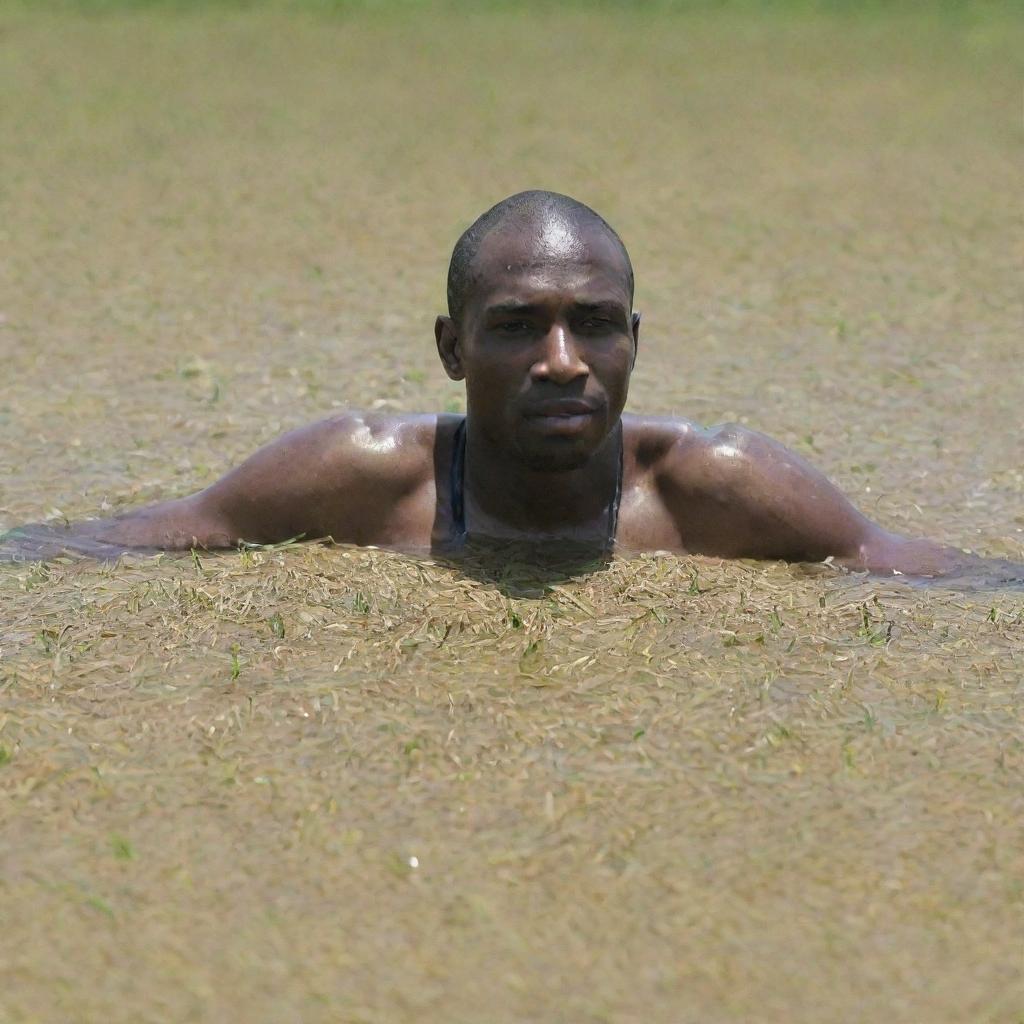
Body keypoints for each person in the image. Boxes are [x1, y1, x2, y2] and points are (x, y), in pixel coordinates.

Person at [3, 191, 1020, 580]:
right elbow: (152, 535)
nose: (564, 359)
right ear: (452, 349)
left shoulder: (721, 488)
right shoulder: (360, 476)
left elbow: (915, 569)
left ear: (633, 340)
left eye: (595, 324)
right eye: (518, 326)